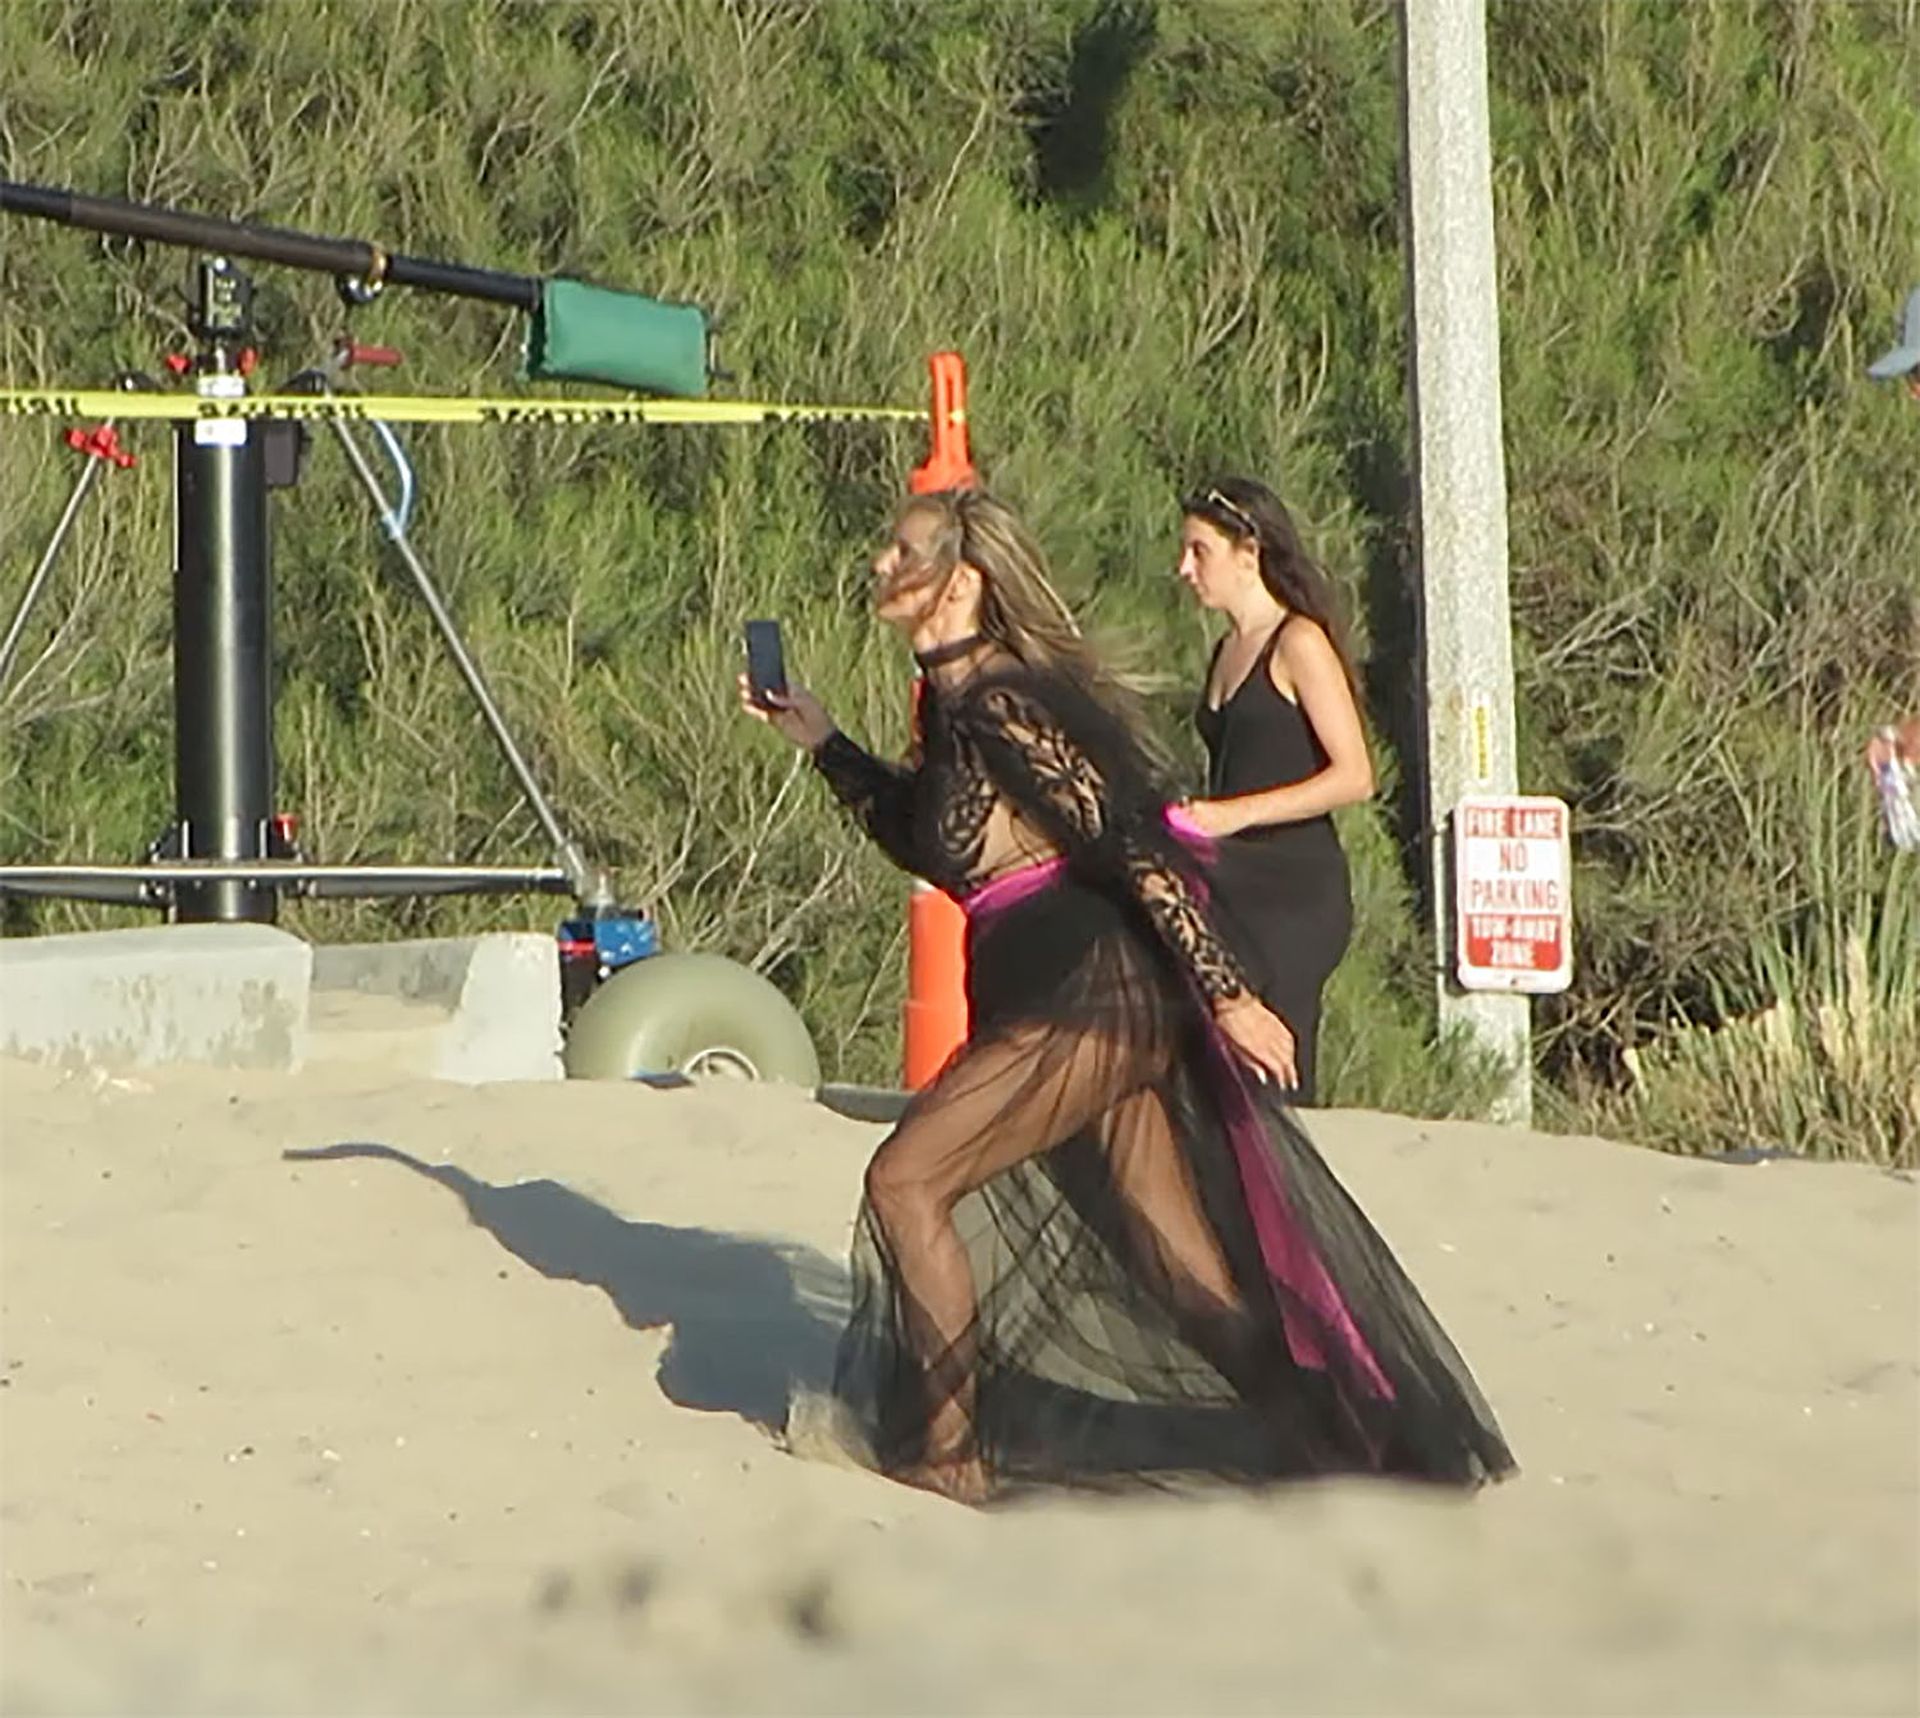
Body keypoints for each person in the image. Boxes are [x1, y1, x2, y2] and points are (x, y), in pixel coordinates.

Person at [741, 487, 1515, 1505]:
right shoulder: (956, 699)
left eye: (904, 550)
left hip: (1087, 990)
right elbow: (943, 850)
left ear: (961, 581)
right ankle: (1349, 1446)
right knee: (1175, 1265)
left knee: (906, 1181)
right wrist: (824, 743)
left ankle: (950, 1454)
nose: (882, 563)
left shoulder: (1002, 698)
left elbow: (1129, 841)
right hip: (1059, 990)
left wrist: (1229, 994)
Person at [1171, 478, 1373, 1106]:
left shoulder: (1299, 642)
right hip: (1233, 884)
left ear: (1248, 553)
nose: (1185, 569)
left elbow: (1355, 776)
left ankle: (1291, 1167)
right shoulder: (1226, 651)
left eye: (1200, 551)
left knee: (1274, 1073)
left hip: (1295, 890)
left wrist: (1231, 816)